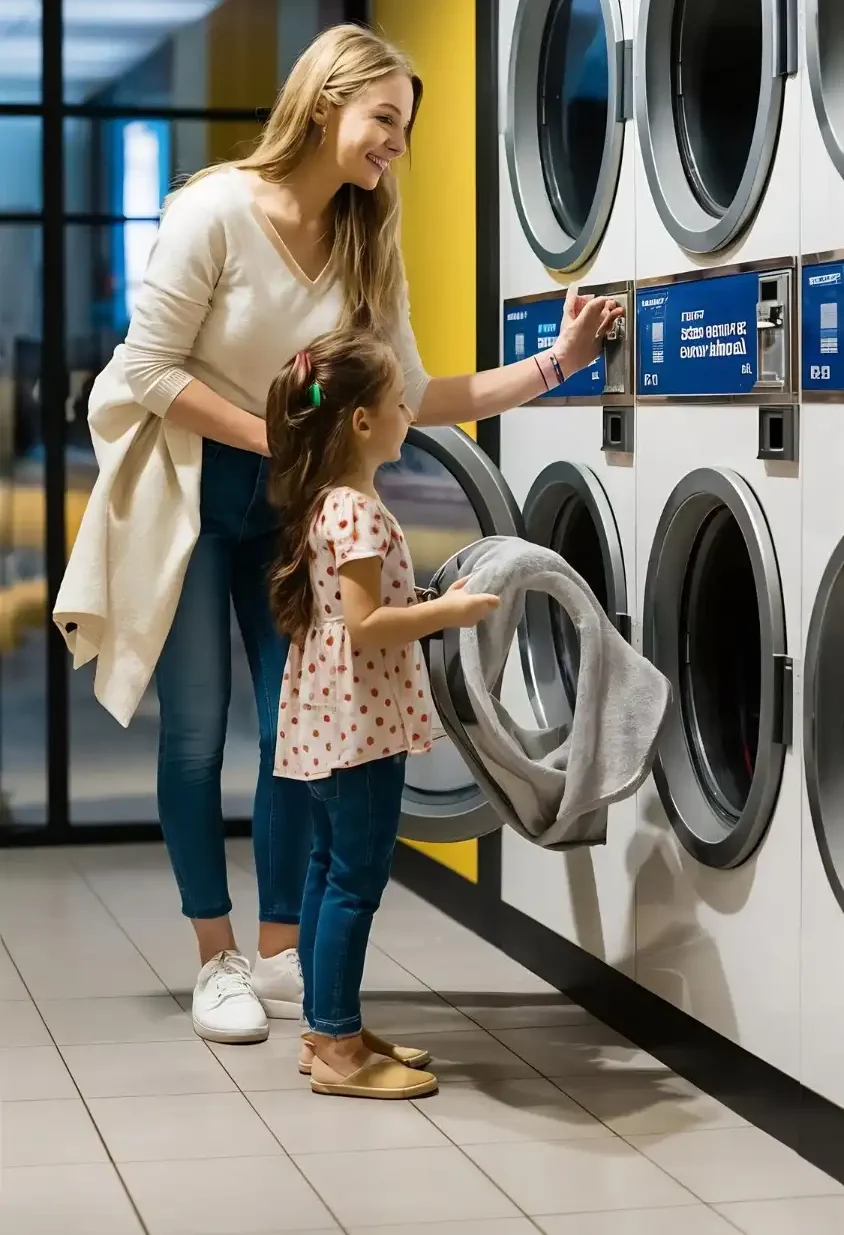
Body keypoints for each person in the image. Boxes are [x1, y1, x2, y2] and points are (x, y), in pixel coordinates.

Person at [57, 22, 623, 1047]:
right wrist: (283, 441)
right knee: (195, 733)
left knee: (296, 734)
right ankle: (214, 956)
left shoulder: (366, 237)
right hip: (191, 489)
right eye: (385, 121)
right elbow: (144, 370)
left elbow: (410, 394)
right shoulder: (215, 211)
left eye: (404, 129)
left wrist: (556, 364)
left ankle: (279, 952)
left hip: (292, 510)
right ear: (327, 103)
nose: (394, 145)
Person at [267, 330, 501, 1098]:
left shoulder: (328, 503)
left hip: (331, 717)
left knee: (326, 867)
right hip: (360, 722)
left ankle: (325, 1026)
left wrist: (422, 601)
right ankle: (337, 1050)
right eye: (399, 400)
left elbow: (350, 610)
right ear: (363, 423)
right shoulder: (358, 512)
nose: (410, 410)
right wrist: (451, 612)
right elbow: (366, 624)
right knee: (354, 882)